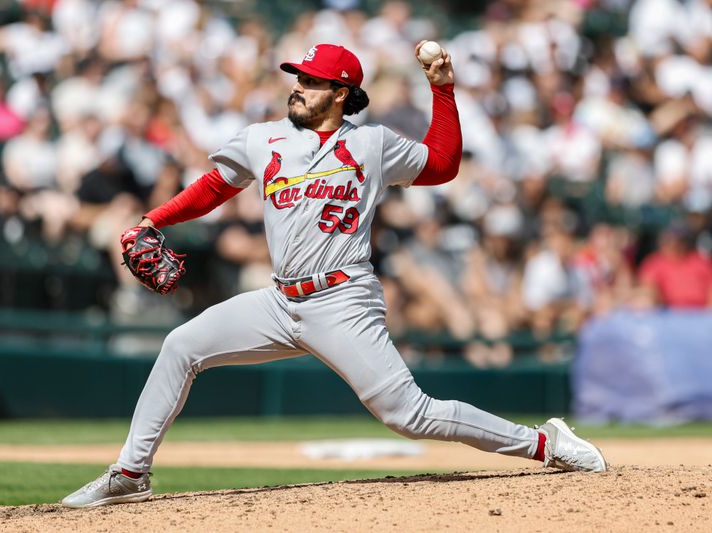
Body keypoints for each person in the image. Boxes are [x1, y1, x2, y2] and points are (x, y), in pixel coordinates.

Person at [61, 42, 607, 509]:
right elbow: (213, 188)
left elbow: (443, 165)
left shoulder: (372, 144)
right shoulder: (265, 137)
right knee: (181, 345)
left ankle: (544, 442)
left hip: (343, 301)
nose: (297, 86)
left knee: (408, 414)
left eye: (312, 81)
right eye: (297, 77)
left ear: (341, 93)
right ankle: (130, 474)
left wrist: (442, 90)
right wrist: (155, 218)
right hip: (279, 302)